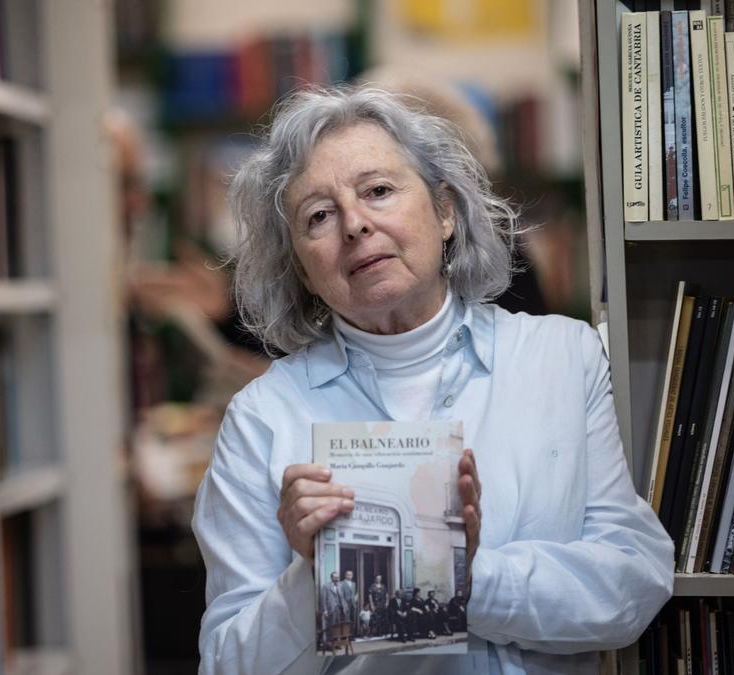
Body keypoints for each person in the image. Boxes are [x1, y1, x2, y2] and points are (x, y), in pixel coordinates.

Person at [191, 86, 674, 673]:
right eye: (318, 216)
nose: (354, 225)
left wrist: (464, 574)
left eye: (378, 191)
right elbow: (227, 664)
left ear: (445, 211)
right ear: (301, 268)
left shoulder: (561, 357)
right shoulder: (264, 417)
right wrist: (309, 579)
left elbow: (633, 586)